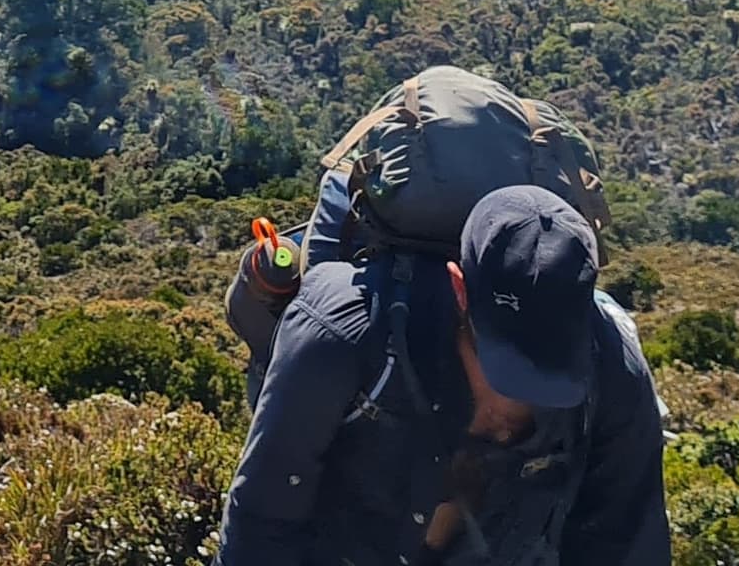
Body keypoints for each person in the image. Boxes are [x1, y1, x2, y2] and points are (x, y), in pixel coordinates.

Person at [215, 182, 666, 566]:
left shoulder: (614, 369)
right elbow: (261, 522)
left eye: (546, 365)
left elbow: (625, 542)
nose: (513, 404)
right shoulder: (340, 333)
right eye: (503, 359)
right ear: (459, 288)